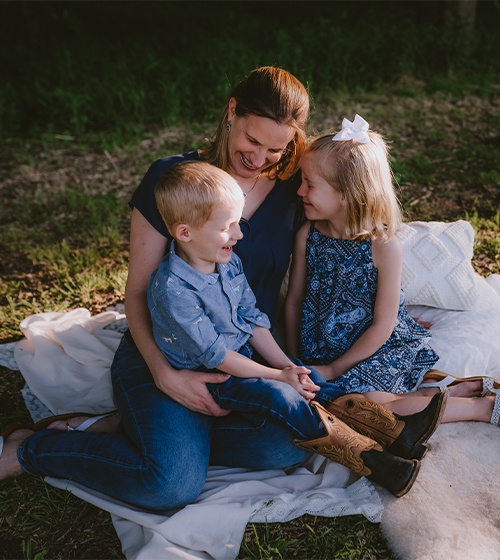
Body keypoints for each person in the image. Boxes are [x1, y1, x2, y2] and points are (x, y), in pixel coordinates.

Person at [0, 69, 444, 509]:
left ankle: (138, 428)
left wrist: (387, 313)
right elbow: (137, 291)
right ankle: (30, 448)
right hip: (170, 346)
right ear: (232, 112)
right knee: (169, 486)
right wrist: (164, 374)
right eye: (252, 141)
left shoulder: (297, 186)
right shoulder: (174, 181)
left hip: (249, 349)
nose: (259, 158)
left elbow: (354, 216)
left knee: (286, 447)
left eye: (276, 148)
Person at [148, 159, 449, 496]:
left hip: (240, 357)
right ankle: (370, 460)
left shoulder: (227, 261)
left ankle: (397, 432)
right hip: (210, 376)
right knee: (282, 396)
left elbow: (253, 321)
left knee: (309, 378)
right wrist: (277, 377)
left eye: (238, 223)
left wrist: (289, 366)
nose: (239, 234)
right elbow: (217, 357)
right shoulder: (174, 291)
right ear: (185, 233)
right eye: (227, 227)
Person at [284, 115, 500, 429]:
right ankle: (447, 390)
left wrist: (334, 369)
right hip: (318, 349)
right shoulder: (308, 234)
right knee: (331, 403)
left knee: (365, 406)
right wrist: (294, 361)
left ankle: (481, 406)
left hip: (374, 346)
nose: (300, 191)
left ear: (346, 193)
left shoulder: (384, 248)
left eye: (310, 184)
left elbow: (383, 325)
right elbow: (294, 300)